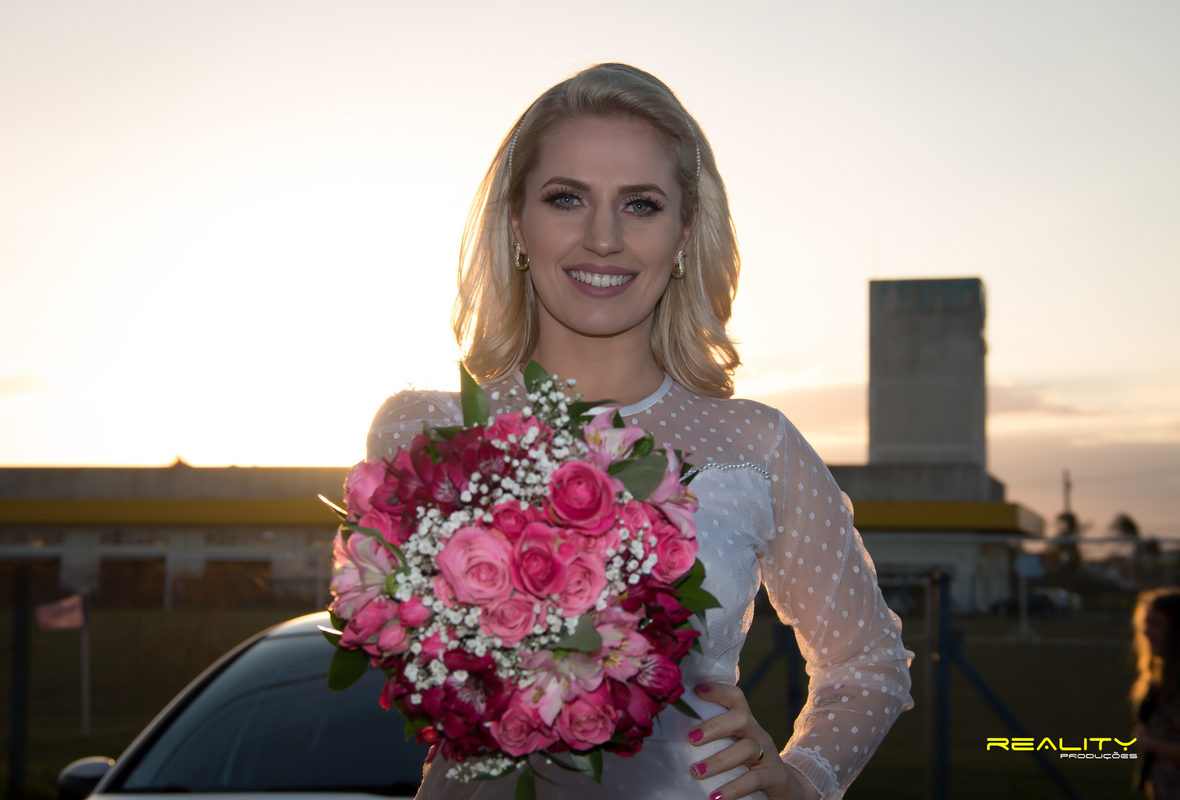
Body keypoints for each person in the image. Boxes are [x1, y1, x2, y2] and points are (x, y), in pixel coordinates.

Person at [367, 63, 915, 800]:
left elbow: (869, 660)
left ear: (685, 231)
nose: (603, 238)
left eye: (641, 205)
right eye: (567, 198)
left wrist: (804, 778)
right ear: (516, 221)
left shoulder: (757, 447)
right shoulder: (425, 432)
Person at [1133, 588, 1180, 799]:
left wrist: (1150, 743)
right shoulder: (1160, 679)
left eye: (1156, 624)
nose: (1145, 632)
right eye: (1145, 624)